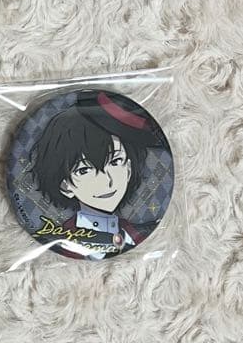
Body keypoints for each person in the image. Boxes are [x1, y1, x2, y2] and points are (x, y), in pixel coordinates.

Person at [32, 90, 163, 258]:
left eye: (115, 162)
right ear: (65, 186)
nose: (107, 181)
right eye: (84, 170)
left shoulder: (137, 235)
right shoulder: (57, 242)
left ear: (128, 169)